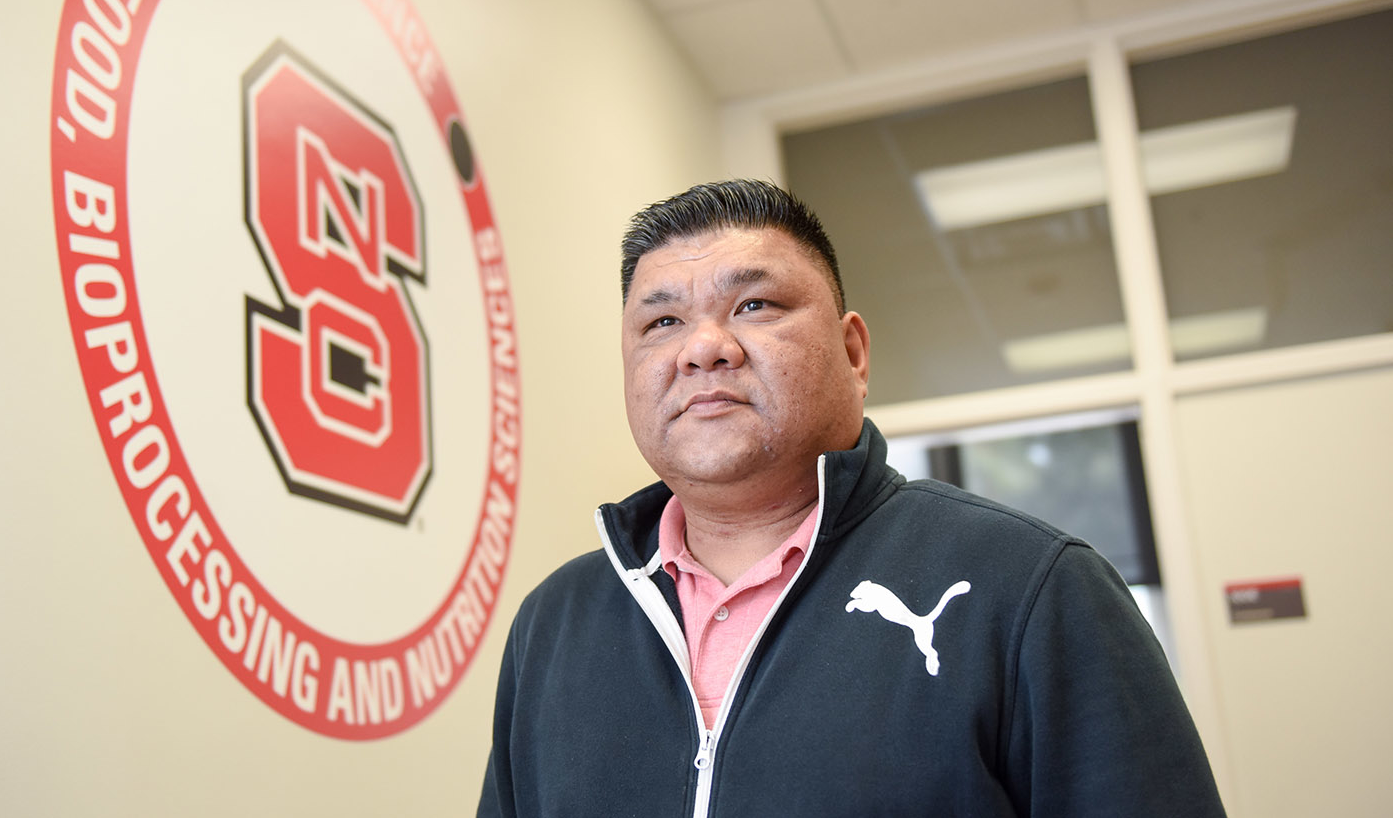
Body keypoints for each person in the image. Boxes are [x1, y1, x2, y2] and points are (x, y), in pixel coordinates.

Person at [478, 180, 1226, 817]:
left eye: (756, 306)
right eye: (662, 321)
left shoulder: (1031, 587)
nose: (703, 347)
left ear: (854, 352)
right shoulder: (554, 623)